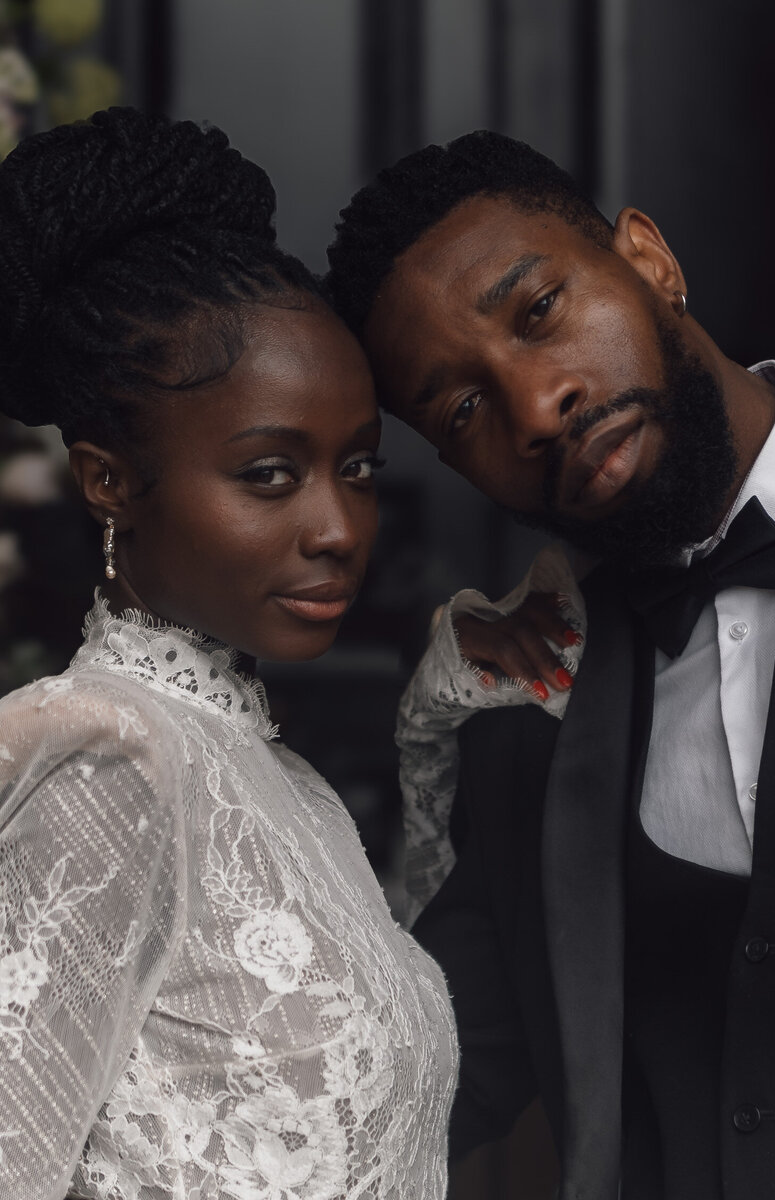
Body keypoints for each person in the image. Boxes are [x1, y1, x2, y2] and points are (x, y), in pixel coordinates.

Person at [325, 130, 775, 1200]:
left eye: (538, 311)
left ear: (648, 260)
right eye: (462, 409)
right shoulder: (525, 703)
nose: (536, 407)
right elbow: (421, 1081)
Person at [0, 107, 463, 1200]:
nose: (338, 528)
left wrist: (456, 708)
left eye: (355, 468)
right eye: (268, 473)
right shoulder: (111, 758)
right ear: (109, 479)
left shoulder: (281, 784)